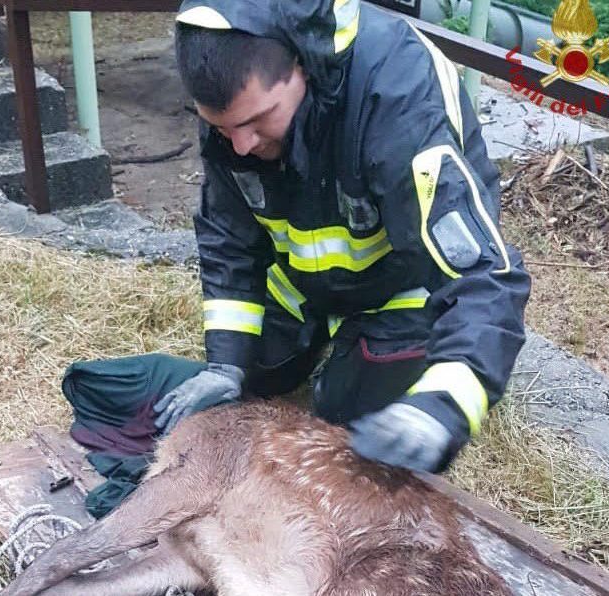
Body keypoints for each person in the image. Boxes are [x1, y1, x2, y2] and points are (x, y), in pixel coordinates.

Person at [152, 0, 531, 474]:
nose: (242, 145)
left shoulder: (396, 100)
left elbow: (483, 274)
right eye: (222, 128)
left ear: (304, 66)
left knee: (357, 436)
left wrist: (444, 407)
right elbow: (229, 235)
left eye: (257, 121)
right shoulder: (236, 108)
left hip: (401, 285)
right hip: (303, 285)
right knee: (253, 381)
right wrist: (226, 362)